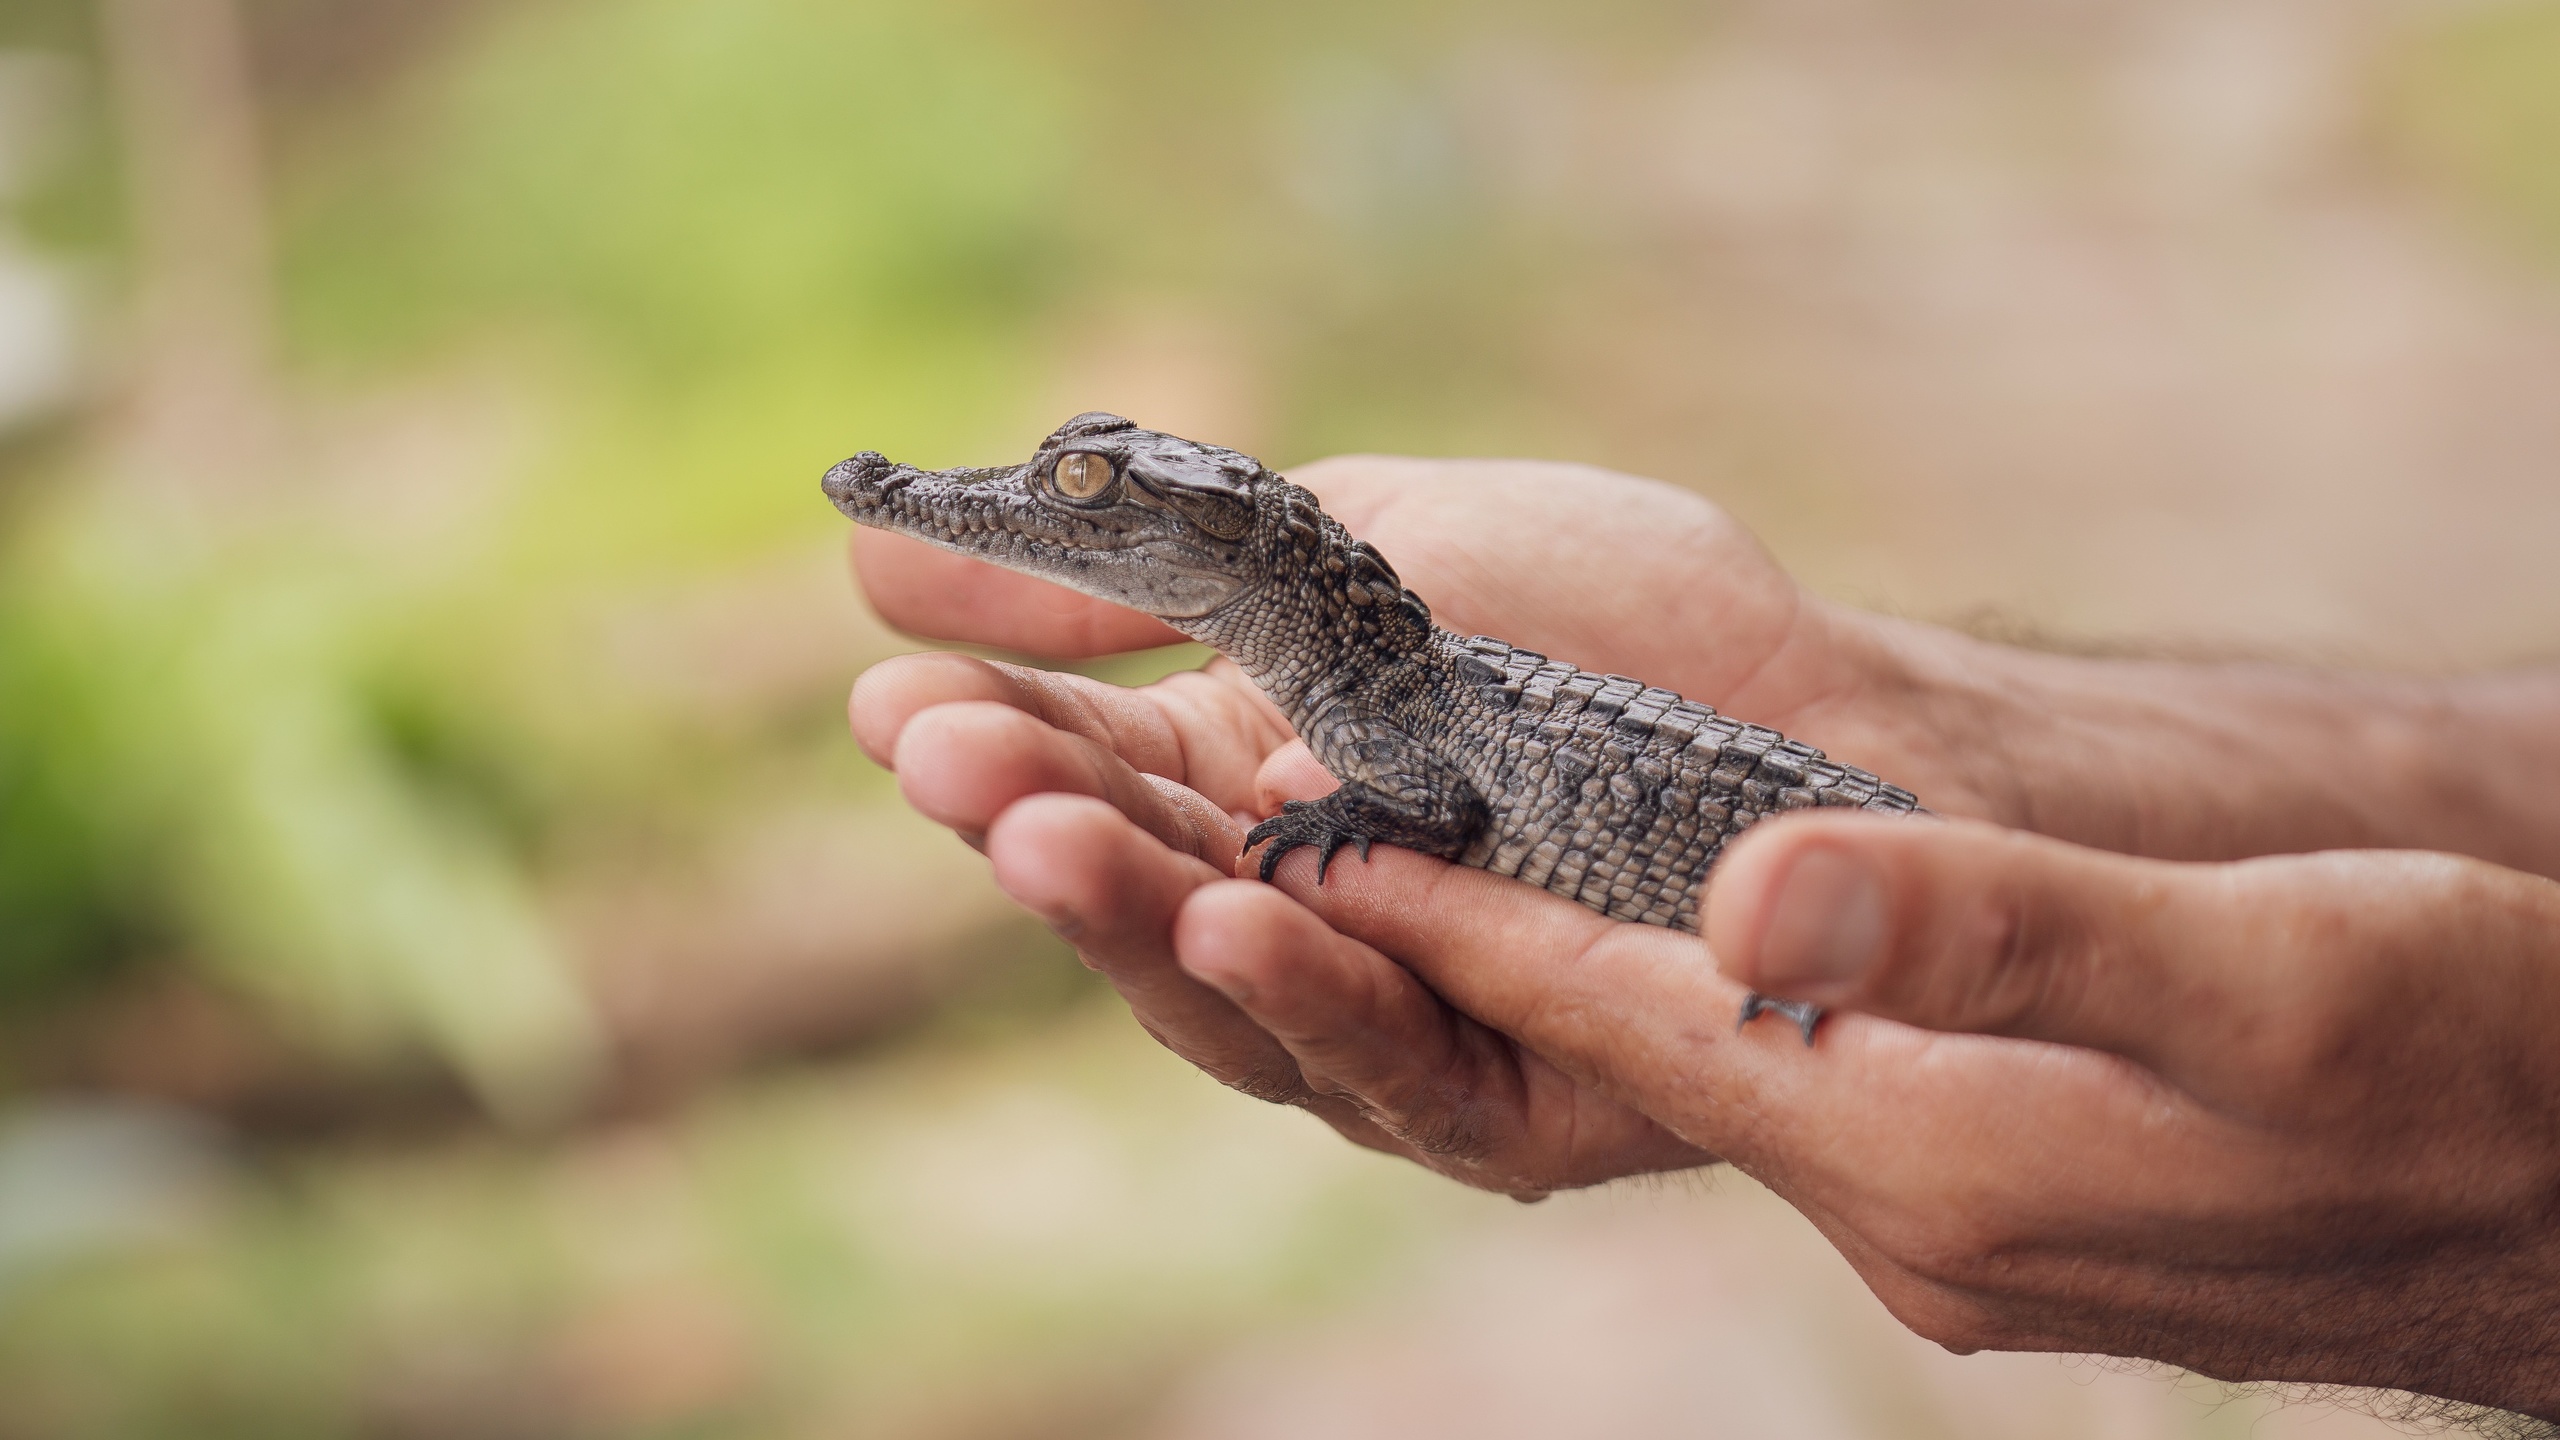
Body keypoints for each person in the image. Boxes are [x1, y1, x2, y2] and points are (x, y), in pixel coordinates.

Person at [845, 452, 2560, 1423]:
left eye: (1086, 491)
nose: (1018, 505)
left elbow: (1429, 817)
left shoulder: (1384, 705)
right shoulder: (1374, 672)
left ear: (1231, 545)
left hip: (1844, 894)